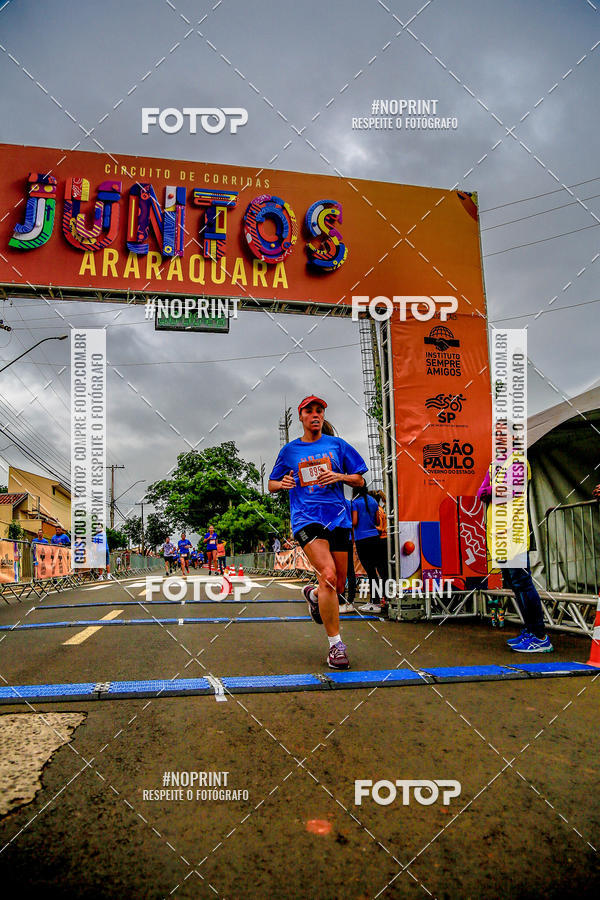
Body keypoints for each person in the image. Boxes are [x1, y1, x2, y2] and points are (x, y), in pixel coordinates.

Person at [268, 395, 367, 670]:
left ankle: (313, 595)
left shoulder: (338, 446)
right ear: (301, 416)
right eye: (309, 411)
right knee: (329, 575)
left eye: (319, 410)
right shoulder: (290, 451)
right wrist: (285, 482)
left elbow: (360, 478)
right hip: (306, 519)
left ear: (323, 416)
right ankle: (336, 646)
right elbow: (271, 484)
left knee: (340, 585)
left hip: (338, 519)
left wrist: (340, 477)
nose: (315, 414)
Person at [477, 450, 553, 652]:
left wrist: (491, 490)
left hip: (514, 534)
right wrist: (492, 490)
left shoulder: (518, 460)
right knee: (515, 584)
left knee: (523, 583)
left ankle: (540, 635)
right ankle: (530, 630)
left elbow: (509, 490)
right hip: (500, 536)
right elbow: (482, 491)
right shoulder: (496, 464)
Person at [352, 487, 388, 613]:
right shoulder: (373, 501)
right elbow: (377, 520)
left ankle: (375, 602)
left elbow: (354, 522)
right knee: (382, 570)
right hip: (375, 537)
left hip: (362, 539)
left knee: (371, 572)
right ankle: (385, 600)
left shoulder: (355, 502)